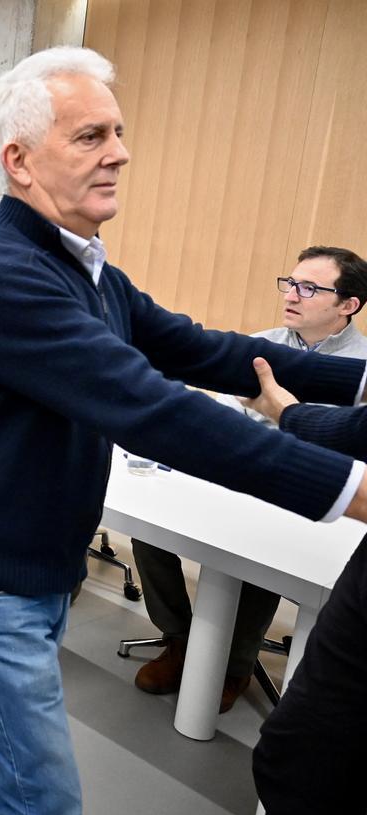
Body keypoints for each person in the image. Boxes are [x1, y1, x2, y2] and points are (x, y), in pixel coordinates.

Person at [0, 46, 367, 815]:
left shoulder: (82, 266)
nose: (119, 151)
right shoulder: (3, 276)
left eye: (118, 131)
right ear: (18, 161)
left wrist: (354, 384)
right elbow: (152, 408)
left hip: (37, 553)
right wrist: (349, 490)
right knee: (46, 812)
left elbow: (200, 348)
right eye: (91, 136)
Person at [132, 245, 367, 713]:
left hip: (317, 499)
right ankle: (178, 638)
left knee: (266, 554)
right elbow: (222, 410)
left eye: (309, 288)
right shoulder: (262, 345)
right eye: (290, 283)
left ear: (348, 305)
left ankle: (235, 664)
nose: (292, 295)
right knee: (149, 529)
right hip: (243, 475)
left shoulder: (360, 369)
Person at [242, 358, 367, 815]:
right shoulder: (271, 348)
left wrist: (288, 415)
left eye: (311, 288)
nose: (293, 296)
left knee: (305, 759)